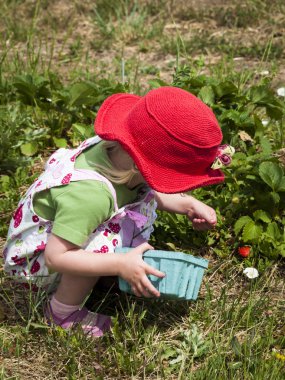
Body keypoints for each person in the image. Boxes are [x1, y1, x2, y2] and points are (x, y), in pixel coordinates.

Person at [3, 86, 233, 337]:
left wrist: (187, 204)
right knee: (104, 245)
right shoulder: (91, 195)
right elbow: (57, 257)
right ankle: (61, 313)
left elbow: (149, 191)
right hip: (38, 263)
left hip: (67, 234)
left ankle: (99, 273)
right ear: (141, 164)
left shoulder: (121, 157)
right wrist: (119, 262)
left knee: (107, 239)